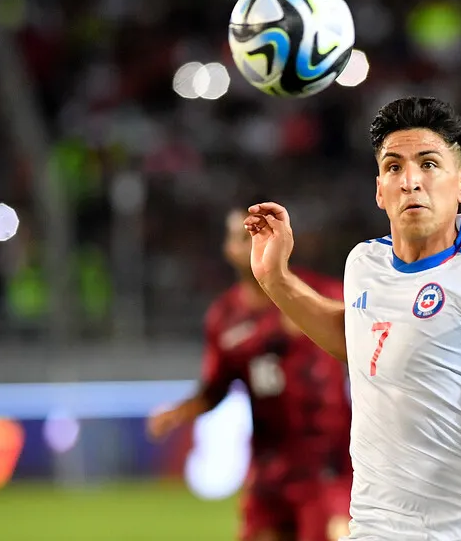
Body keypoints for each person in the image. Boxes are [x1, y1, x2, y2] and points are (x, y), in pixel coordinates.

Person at [244, 97, 461, 541]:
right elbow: (358, 339)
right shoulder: (363, 263)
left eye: (429, 164)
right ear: (379, 190)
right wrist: (275, 280)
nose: (411, 180)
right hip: (377, 528)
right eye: (394, 167)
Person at [147, 207, 353, 541]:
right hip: (270, 469)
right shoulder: (224, 318)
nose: (255, 241)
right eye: (245, 236)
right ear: (229, 249)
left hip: (328, 466)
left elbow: (372, 345)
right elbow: (216, 388)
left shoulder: (322, 294)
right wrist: (179, 412)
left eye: (263, 232)